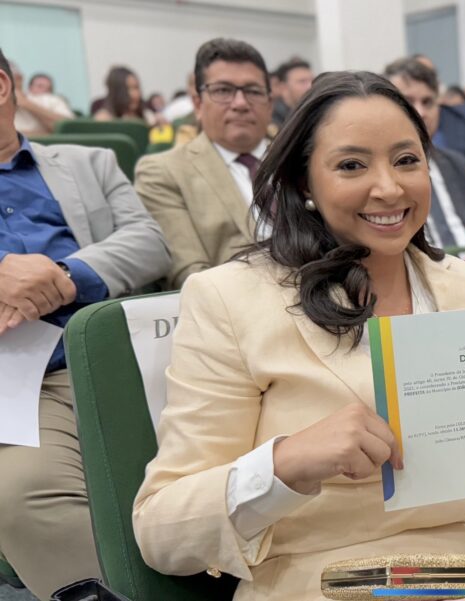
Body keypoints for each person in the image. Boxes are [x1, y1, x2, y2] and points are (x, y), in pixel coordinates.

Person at [132, 69, 465, 601]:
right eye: (351, 166)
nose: (388, 188)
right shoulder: (231, 298)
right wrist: (285, 464)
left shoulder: (462, 286)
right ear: (305, 181)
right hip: (319, 586)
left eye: (406, 161)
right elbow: (161, 529)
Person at [0, 47, 171, 599]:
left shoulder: (88, 163)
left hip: (128, 356)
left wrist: (64, 275)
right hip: (24, 378)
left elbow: (150, 243)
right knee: (24, 496)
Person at [136, 38, 273, 289]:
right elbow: (192, 275)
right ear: (198, 104)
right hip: (237, 309)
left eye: (253, 91)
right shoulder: (164, 173)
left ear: (270, 103)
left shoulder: (307, 158)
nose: (240, 103)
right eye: (223, 91)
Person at [384, 57, 465, 247]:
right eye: (408, 101)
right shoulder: (380, 175)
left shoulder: (455, 163)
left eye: (428, 102)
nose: (421, 112)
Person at [10, 62, 72, 135]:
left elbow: (70, 128)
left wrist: (26, 104)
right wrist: (46, 133)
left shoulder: (50, 100)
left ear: (19, 78)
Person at [271, 58, 314, 128]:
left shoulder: (314, 112)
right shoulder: (274, 120)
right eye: (302, 81)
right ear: (283, 88)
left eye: (313, 80)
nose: (310, 86)